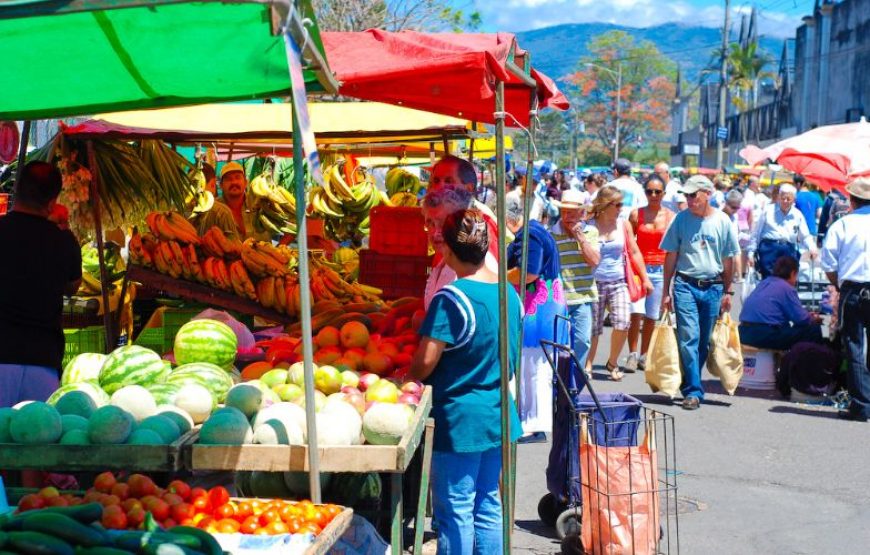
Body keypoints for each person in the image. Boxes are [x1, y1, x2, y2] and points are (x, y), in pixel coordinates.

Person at [410, 208, 522, 552]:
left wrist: (408, 377)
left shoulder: (451, 299)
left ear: (447, 250)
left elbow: (425, 362)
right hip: (498, 412)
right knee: (488, 503)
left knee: (455, 508)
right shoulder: (509, 294)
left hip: (460, 421)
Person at [0, 162, 82, 407]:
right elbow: (73, 285)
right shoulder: (64, 241)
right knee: (36, 441)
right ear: (53, 200)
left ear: (17, 188)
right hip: (42, 365)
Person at [660, 175, 740, 410]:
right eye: (687, 195)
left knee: (703, 342)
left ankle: (689, 380)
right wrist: (666, 291)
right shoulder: (680, 220)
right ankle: (694, 391)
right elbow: (671, 255)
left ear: (708, 193)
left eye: (694, 195)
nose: (690, 199)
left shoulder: (722, 221)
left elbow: (728, 259)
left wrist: (728, 291)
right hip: (685, 285)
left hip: (713, 287)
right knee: (689, 338)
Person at [506, 195, 567, 441]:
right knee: (534, 366)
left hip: (539, 309)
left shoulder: (528, 235)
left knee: (535, 367)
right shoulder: (535, 231)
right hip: (544, 306)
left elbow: (528, 272)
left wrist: (498, 275)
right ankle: (532, 421)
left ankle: (535, 424)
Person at [586, 186, 653, 381]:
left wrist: (646, 278)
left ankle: (612, 362)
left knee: (623, 322)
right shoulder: (589, 225)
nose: (621, 208)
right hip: (594, 282)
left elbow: (634, 252)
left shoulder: (624, 225)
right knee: (594, 328)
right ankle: (588, 363)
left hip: (618, 280)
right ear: (606, 206)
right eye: (618, 204)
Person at [821, 177, 870, 422]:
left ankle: (861, 405)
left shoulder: (843, 225)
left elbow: (828, 263)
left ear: (852, 200)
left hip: (853, 290)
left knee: (854, 347)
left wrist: (838, 283)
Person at [625, 176, 675, 370]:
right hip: (640, 269)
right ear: (645, 193)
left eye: (657, 192)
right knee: (635, 313)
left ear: (664, 194)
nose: (653, 195)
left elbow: (673, 247)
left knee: (652, 316)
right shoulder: (636, 215)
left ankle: (645, 354)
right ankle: (632, 353)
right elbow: (630, 242)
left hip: (661, 270)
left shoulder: (671, 216)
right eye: (649, 191)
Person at [551, 190, 600, 376]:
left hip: (582, 297)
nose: (567, 216)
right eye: (564, 211)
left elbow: (594, 260)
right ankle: (558, 381)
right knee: (558, 343)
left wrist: (580, 237)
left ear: (582, 213)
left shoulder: (591, 232)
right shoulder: (552, 234)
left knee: (582, 341)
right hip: (559, 299)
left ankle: (574, 382)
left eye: (572, 212)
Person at [739, 256, 824, 350]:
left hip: (743, 332)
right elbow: (801, 319)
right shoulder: (786, 287)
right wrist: (813, 318)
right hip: (764, 335)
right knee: (813, 330)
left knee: (788, 328)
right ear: (793, 273)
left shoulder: (764, 283)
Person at [747, 183, 818, 279]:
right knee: (769, 280)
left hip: (788, 250)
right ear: (778, 197)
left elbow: (805, 236)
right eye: (783, 198)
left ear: (794, 200)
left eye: (788, 199)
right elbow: (756, 233)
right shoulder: (768, 211)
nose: (785, 201)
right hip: (769, 249)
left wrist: (812, 248)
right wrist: (751, 252)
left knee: (786, 280)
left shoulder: (797, 215)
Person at [216, 162, 272, 241]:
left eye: (238, 177)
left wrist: (279, 249)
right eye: (228, 179)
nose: (234, 182)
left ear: (246, 182)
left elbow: (292, 221)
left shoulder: (261, 202)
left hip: (265, 252)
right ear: (221, 185)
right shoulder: (214, 208)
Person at [721, 189, 746, 280]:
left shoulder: (734, 216)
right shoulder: (719, 216)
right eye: (733, 207)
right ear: (726, 203)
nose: (735, 210)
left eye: (738, 208)